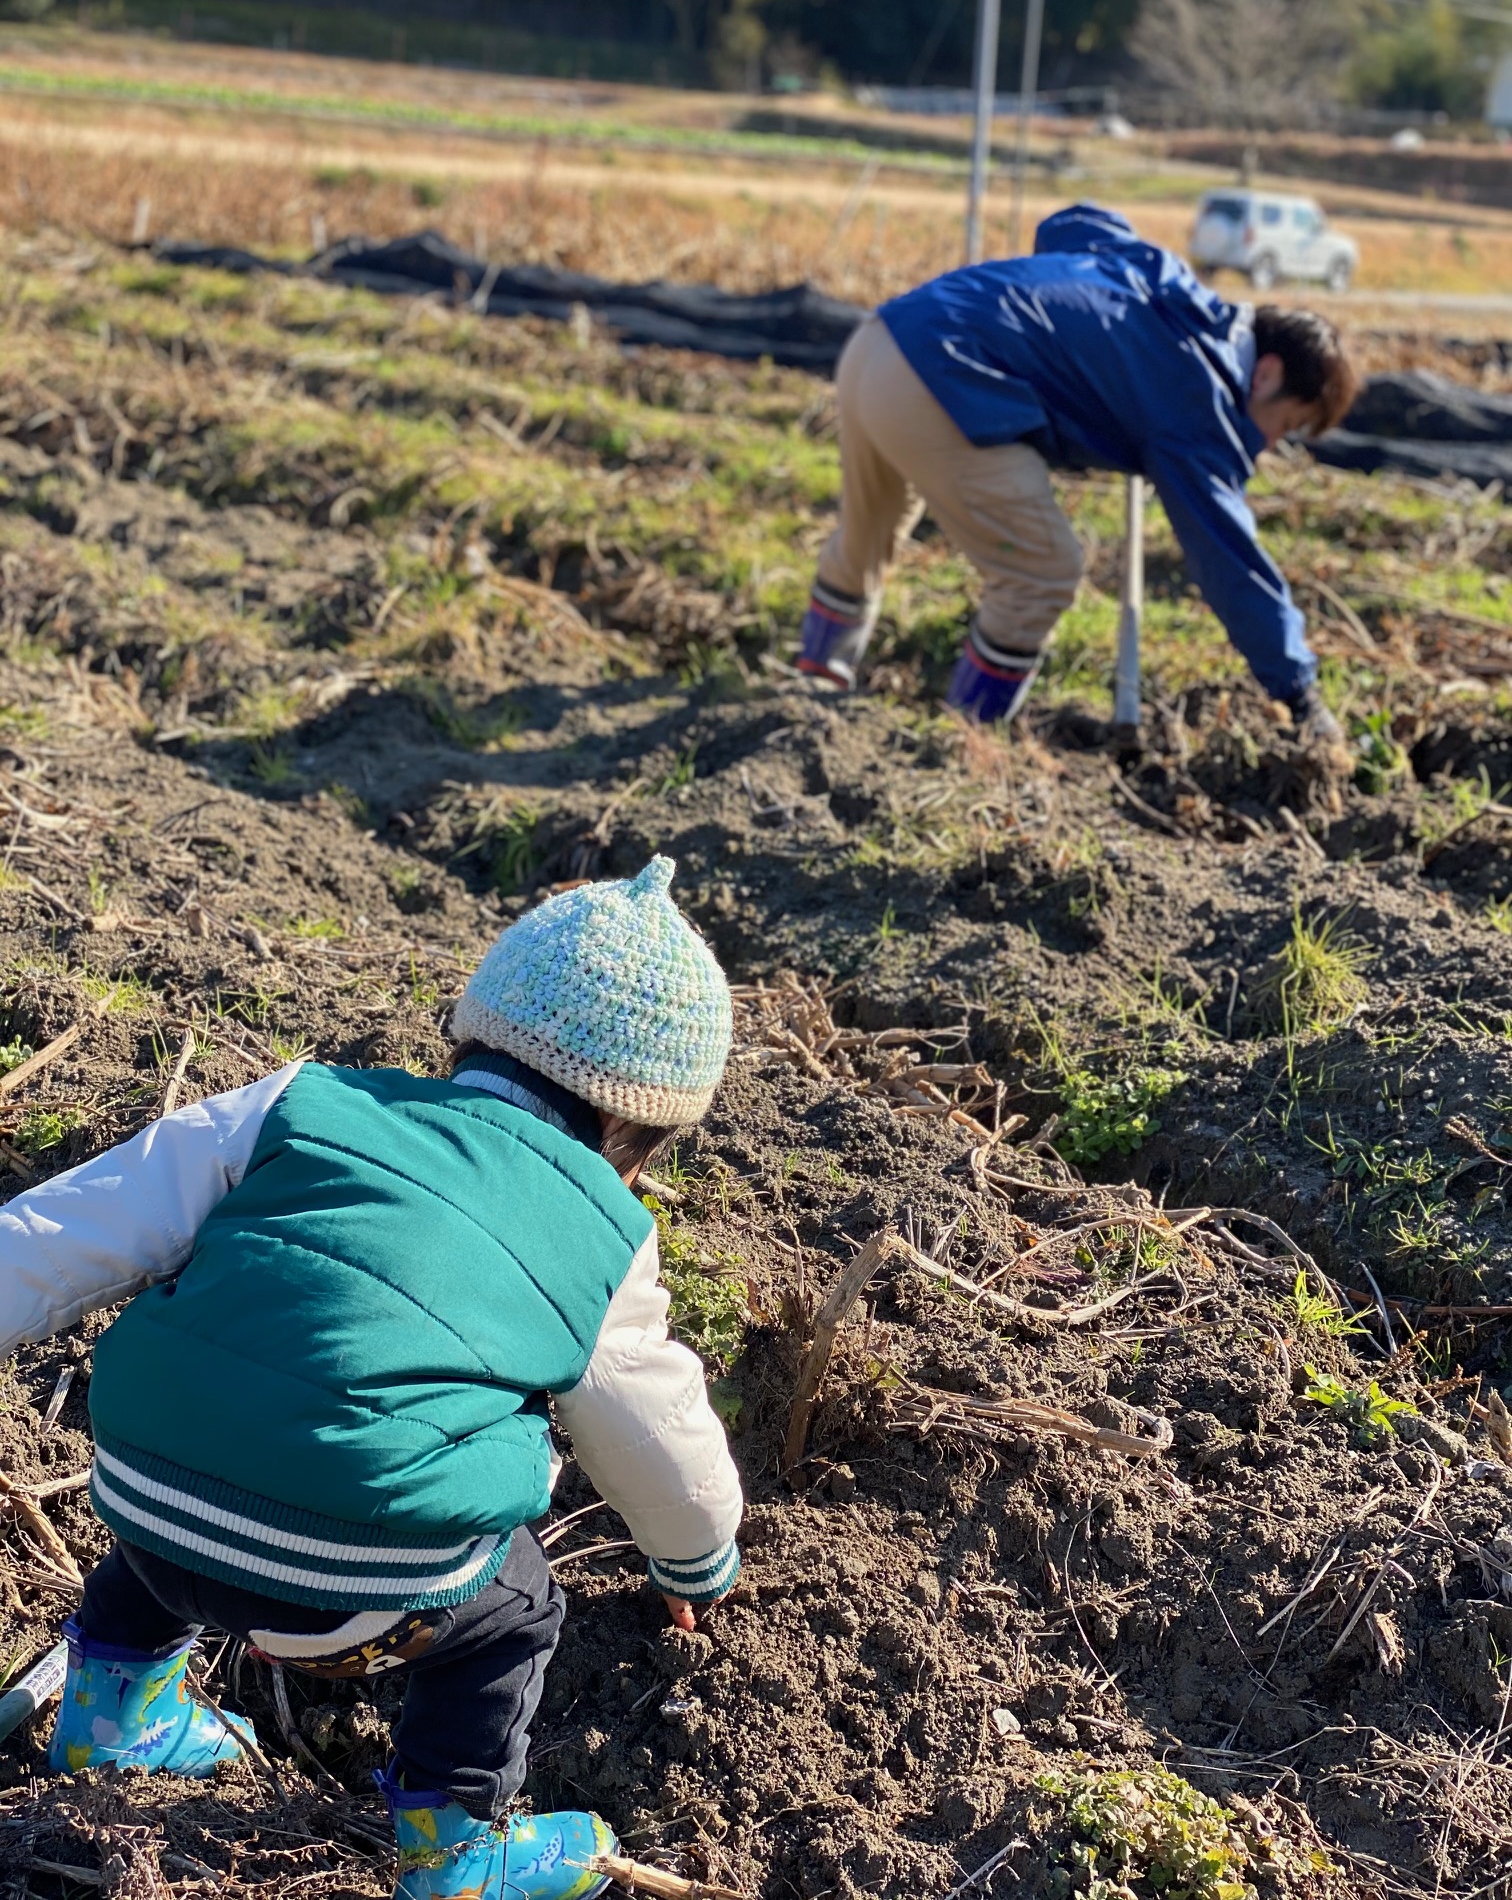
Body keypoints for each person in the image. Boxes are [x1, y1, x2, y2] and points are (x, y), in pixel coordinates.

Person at [1, 858, 741, 1900]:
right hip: (362, 1591)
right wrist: (696, 1562)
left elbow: (65, 1233)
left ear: (469, 1039)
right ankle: (456, 1852)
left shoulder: (298, 1105)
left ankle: (108, 1720)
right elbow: (652, 1426)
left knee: (218, 1428)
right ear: (642, 1133)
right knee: (519, 1607)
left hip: (147, 1508)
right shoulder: (609, 1233)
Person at [796, 203, 1357, 746]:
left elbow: (1073, 224)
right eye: (1287, 425)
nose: (1268, 445)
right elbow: (1230, 564)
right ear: (1267, 373)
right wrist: (1299, 692)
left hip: (879, 340)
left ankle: (808, 693)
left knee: (870, 529)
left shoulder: (1166, 286)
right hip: (943, 374)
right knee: (1043, 572)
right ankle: (962, 744)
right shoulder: (1199, 401)